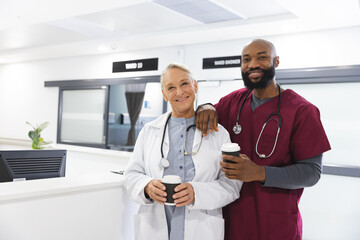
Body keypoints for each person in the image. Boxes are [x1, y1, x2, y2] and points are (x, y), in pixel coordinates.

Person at [196, 39, 331, 240]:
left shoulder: (302, 111)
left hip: (275, 224)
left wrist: (259, 172)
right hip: (231, 220)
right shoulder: (234, 101)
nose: (252, 65)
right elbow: (209, 112)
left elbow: (312, 172)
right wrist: (204, 107)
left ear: (276, 62)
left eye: (262, 57)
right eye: (246, 59)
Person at [124, 63, 242, 240]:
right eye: (171, 87)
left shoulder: (219, 133)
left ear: (195, 85)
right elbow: (131, 174)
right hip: (155, 227)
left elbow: (232, 184)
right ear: (164, 95)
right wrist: (146, 187)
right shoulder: (149, 131)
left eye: (184, 84)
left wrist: (197, 192)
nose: (179, 92)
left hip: (201, 228)